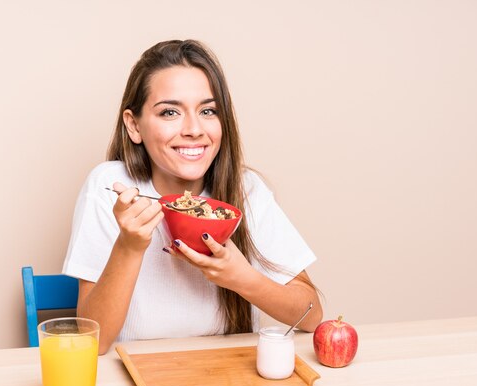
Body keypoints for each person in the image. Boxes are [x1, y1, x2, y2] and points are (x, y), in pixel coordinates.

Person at [63, 39, 323, 354]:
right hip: (135, 377)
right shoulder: (109, 186)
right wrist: (129, 247)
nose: (194, 129)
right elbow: (94, 343)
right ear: (134, 126)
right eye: (170, 112)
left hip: (228, 375)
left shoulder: (246, 189)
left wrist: (241, 279)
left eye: (208, 111)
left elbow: (312, 314)